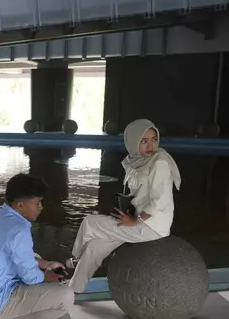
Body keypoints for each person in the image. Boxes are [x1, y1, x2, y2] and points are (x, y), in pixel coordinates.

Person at [67, 119, 181, 293]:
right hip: (139, 221)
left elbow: (160, 200)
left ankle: (74, 259)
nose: (150, 145)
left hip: (150, 226)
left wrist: (135, 221)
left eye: (153, 139)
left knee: (89, 222)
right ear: (133, 142)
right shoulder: (136, 160)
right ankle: (75, 289)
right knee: (94, 247)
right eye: (144, 141)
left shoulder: (159, 162)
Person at [0, 173, 74, 319]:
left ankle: (14, 315)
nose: (41, 207)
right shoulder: (18, 230)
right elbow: (30, 277)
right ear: (20, 205)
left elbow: (20, 256)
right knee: (66, 296)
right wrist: (47, 277)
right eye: (37, 203)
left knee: (37, 259)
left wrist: (45, 264)